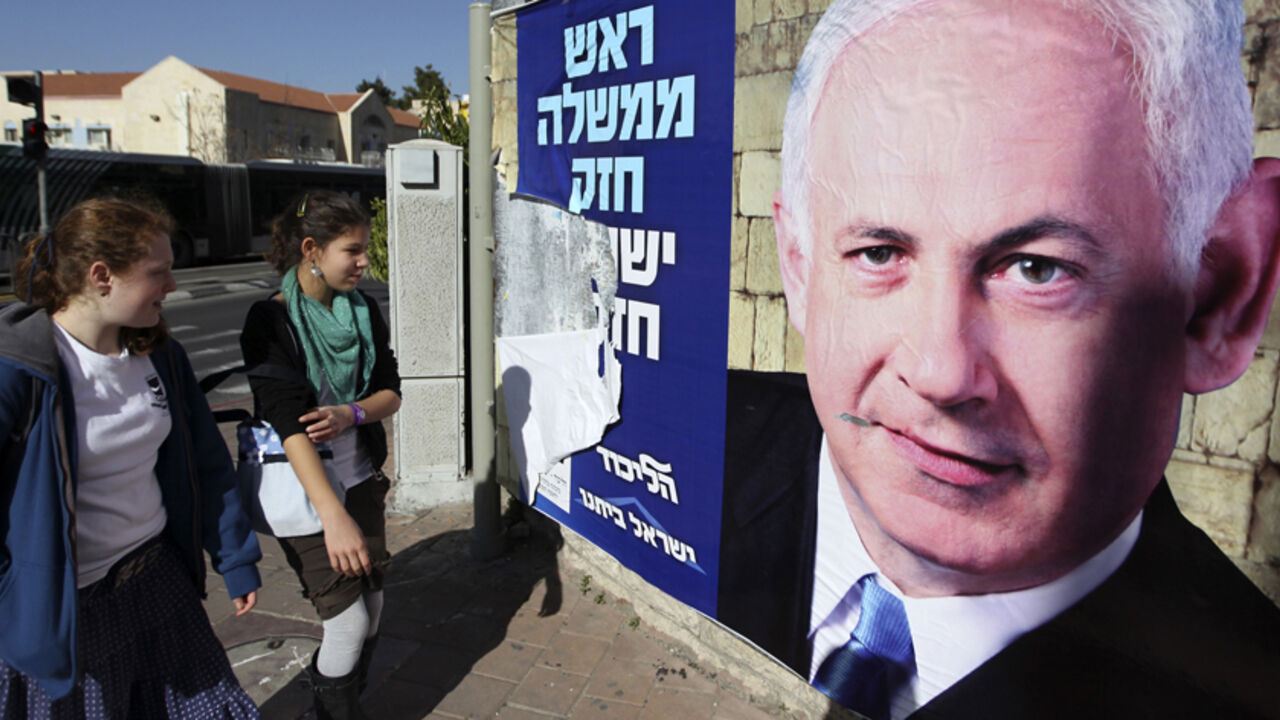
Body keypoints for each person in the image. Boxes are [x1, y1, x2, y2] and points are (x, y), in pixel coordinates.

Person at [717, 0, 1280, 717]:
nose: (940, 373)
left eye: (1037, 269)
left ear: (1218, 297)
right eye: (879, 253)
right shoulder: (652, 450)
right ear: (797, 267)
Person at [0, 197, 262, 718]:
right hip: (68, 610)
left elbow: (207, 460)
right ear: (102, 276)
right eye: (158, 272)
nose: (172, 286)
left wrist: (235, 557)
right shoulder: (20, 371)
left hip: (157, 580)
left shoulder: (160, 355)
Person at [240, 190, 401, 719]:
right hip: (308, 493)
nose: (363, 263)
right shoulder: (271, 321)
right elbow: (290, 426)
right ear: (311, 249)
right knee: (348, 622)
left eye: (364, 251)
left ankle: (332, 704)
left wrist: (351, 413)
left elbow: (389, 392)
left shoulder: (363, 312)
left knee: (372, 613)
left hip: (359, 481)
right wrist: (332, 518)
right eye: (351, 251)